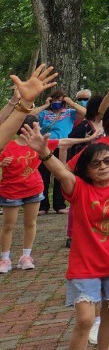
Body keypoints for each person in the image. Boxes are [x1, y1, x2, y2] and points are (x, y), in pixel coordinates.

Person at [18, 127, 109, 350]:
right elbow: (62, 174)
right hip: (86, 265)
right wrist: (44, 152)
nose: (104, 167)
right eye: (96, 163)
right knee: (84, 319)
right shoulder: (79, 189)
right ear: (87, 170)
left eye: (108, 161)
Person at [0, 114, 46, 272]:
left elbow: (63, 142)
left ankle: (26, 256)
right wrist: (1, 163)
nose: (39, 129)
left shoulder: (39, 145)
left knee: (30, 223)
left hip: (34, 189)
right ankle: (5, 259)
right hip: (11, 191)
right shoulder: (7, 145)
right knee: (8, 225)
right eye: (37, 126)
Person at [37, 89, 85, 213]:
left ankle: (60, 205)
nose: (57, 102)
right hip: (46, 147)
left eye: (59, 100)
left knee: (62, 175)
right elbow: (30, 115)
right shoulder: (44, 113)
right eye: (54, 100)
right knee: (43, 176)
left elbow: (85, 112)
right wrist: (46, 105)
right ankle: (43, 206)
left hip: (63, 147)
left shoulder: (70, 113)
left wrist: (70, 102)